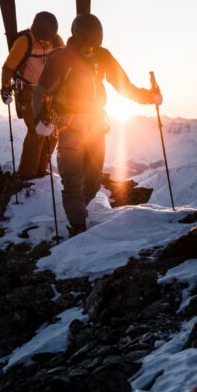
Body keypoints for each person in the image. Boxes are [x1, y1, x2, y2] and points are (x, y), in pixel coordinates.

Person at [32, 13, 162, 236]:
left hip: (96, 126)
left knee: (92, 180)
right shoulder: (62, 58)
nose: (90, 48)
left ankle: (78, 215)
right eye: (88, 42)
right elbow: (40, 92)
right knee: (72, 180)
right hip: (70, 126)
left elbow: (123, 86)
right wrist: (40, 119)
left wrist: (149, 97)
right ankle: (78, 226)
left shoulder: (102, 56)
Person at [0, 11, 64, 179]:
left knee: (53, 131)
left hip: (50, 93)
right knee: (37, 131)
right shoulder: (24, 42)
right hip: (28, 92)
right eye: (42, 39)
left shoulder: (56, 41)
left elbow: (65, 64)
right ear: (34, 31)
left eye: (47, 39)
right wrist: (5, 87)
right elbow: (8, 68)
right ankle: (27, 176)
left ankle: (40, 172)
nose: (45, 42)